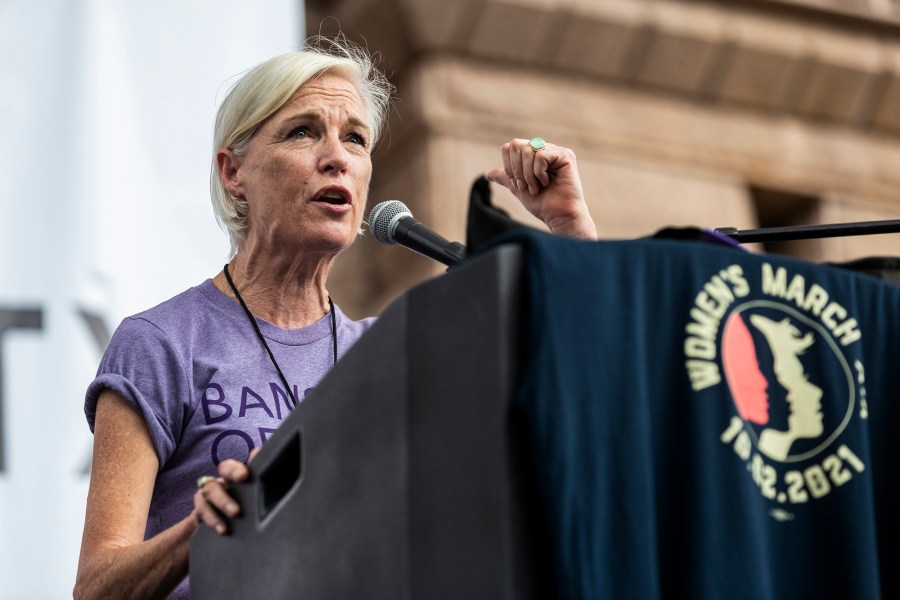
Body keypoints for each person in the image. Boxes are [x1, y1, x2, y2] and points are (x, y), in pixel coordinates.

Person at [73, 36, 598, 600]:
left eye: (355, 139)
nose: (337, 157)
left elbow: (566, 396)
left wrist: (570, 229)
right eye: (303, 131)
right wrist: (199, 533)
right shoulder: (163, 343)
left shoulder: (388, 354)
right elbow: (97, 586)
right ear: (234, 172)